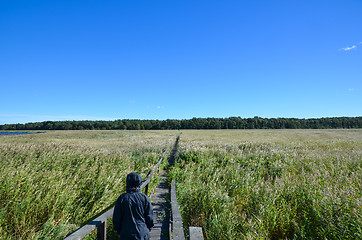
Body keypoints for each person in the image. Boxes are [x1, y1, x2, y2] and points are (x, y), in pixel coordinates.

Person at [113, 172, 154, 240]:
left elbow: (116, 219)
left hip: (126, 234)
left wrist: (118, 231)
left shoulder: (122, 198)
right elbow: (149, 217)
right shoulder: (144, 198)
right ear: (139, 184)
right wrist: (148, 228)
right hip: (142, 233)